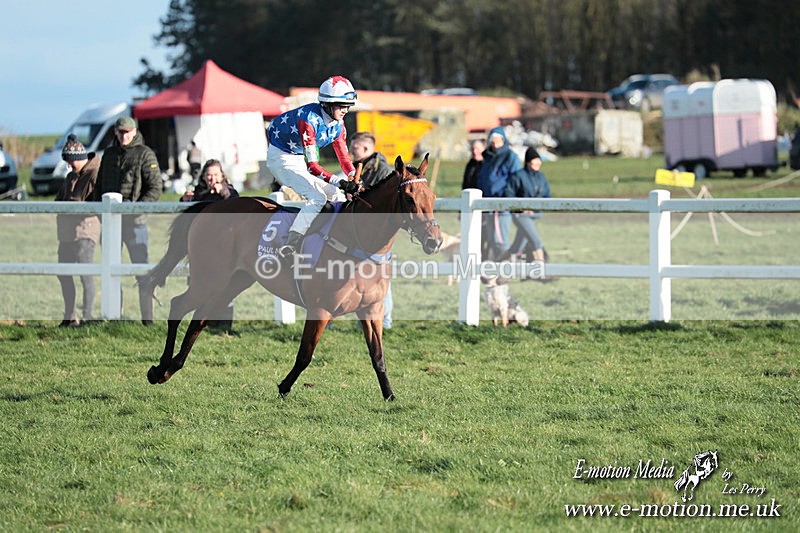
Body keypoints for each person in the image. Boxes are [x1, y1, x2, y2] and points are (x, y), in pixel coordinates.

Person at [266, 76, 360, 258]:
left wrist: (353, 176)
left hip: (297, 157)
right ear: (326, 104)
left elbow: (344, 158)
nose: (345, 111)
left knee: (336, 195)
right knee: (317, 197)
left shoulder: (339, 125)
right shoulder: (308, 120)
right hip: (281, 157)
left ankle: (326, 237)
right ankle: (290, 244)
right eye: (341, 105)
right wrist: (340, 181)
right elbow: (313, 167)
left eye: (348, 106)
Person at [92, 116, 162, 324]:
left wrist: (137, 209)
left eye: (127, 132)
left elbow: (155, 188)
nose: (123, 135)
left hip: (135, 224)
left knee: (141, 270)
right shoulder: (109, 154)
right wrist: (101, 212)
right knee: (109, 269)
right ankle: (113, 315)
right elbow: (99, 187)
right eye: (120, 132)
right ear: (115, 132)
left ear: (134, 131)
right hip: (111, 222)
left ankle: (147, 319)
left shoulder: (145, 154)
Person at [181, 159, 239, 332]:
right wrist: (184, 200)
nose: (212, 178)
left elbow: (237, 203)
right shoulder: (200, 193)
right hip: (201, 248)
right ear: (203, 177)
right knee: (199, 285)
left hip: (223, 247)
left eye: (215, 175)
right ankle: (203, 324)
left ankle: (224, 326)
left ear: (222, 176)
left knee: (225, 285)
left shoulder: (229, 190)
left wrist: (224, 193)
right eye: (208, 175)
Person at [349, 131, 393, 329]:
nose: (351, 150)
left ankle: (386, 321)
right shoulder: (360, 167)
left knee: (380, 279)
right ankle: (365, 321)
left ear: (366, 148)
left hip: (377, 236)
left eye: (355, 146)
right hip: (361, 233)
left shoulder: (382, 171)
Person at [55, 135, 100, 327]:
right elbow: (57, 201)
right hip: (66, 234)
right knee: (63, 273)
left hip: (85, 231)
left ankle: (87, 317)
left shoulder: (95, 174)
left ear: (78, 157)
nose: (68, 165)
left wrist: (76, 206)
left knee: (85, 275)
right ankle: (70, 316)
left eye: (70, 161)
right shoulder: (70, 177)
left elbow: (97, 203)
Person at [498, 147, 551, 265]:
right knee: (536, 241)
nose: (537, 163)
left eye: (538, 160)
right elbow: (509, 194)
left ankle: (495, 270)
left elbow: (547, 196)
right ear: (528, 162)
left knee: (517, 247)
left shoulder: (541, 177)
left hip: (534, 216)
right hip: (520, 215)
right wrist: (521, 208)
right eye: (534, 160)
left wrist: (537, 209)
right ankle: (542, 272)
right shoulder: (518, 176)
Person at [476, 127, 522, 260]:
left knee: (500, 240)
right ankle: (495, 273)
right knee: (492, 240)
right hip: (487, 205)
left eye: (498, 140)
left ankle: (505, 272)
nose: (495, 143)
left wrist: (506, 197)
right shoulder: (487, 158)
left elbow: (516, 180)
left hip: (502, 205)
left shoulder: (511, 157)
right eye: (493, 141)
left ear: (503, 140)